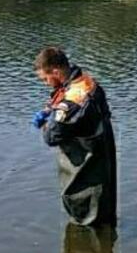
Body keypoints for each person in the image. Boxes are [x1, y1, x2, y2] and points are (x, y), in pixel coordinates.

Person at [32, 46, 117, 226]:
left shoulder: (73, 100)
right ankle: (104, 234)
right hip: (102, 144)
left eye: (45, 78)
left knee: (86, 208)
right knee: (103, 201)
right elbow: (63, 95)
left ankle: (89, 236)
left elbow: (51, 137)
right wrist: (49, 109)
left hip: (87, 157)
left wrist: (45, 123)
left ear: (56, 71)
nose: (45, 83)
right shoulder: (85, 80)